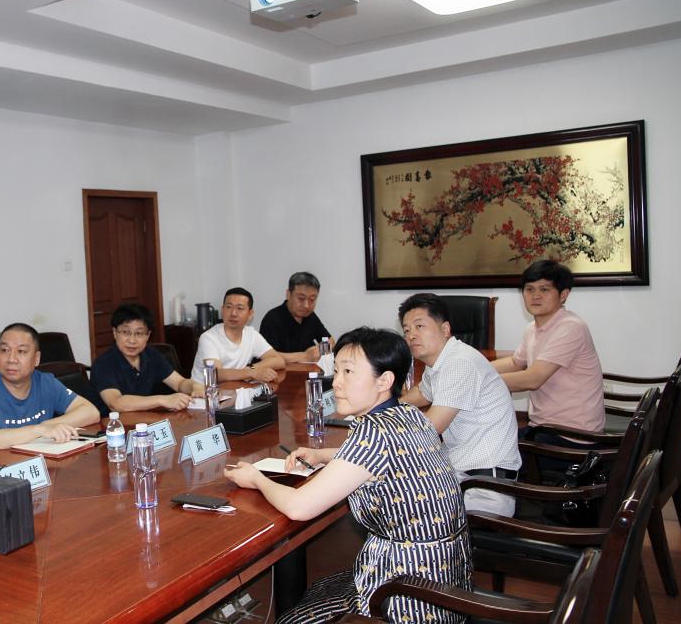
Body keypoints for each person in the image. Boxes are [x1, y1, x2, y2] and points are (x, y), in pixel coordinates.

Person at [225, 327, 471, 622]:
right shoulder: (408, 414)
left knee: (294, 618)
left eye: (349, 372)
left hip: (407, 598)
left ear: (384, 381)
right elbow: (384, 457)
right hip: (446, 580)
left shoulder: (373, 431)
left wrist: (256, 478)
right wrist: (322, 454)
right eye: (337, 370)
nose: (336, 382)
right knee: (319, 589)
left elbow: (299, 507)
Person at [399, 293, 521, 516]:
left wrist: (383, 431)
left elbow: (429, 428)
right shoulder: (442, 360)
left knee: (400, 504)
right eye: (406, 330)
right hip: (461, 473)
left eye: (419, 326)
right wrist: (389, 407)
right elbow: (423, 393)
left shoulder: (459, 363)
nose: (411, 336)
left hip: (483, 487)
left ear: (445, 329)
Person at [491, 260, 605, 452]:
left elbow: (533, 379)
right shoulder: (532, 329)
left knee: (489, 453)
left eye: (544, 289)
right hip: (543, 428)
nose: (535, 296)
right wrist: (473, 368)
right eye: (529, 289)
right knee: (486, 442)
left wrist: (479, 380)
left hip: (572, 438)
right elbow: (515, 362)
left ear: (563, 294)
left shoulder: (570, 327)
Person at [0, 322, 99, 451]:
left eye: (21, 351)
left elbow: (91, 412)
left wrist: (47, 426)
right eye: (4, 350)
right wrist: (38, 430)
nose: (11, 359)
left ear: (36, 358)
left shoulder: (45, 382)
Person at [90, 303, 205, 413]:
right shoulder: (103, 364)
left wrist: (194, 386)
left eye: (139, 333)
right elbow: (116, 403)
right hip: (110, 424)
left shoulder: (151, 355)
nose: (132, 340)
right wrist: (162, 400)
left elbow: (179, 383)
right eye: (126, 332)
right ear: (115, 333)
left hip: (140, 420)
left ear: (148, 335)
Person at [190, 287, 285, 382]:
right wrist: (251, 373)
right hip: (203, 390)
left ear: (250, 314)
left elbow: (278, 360)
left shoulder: (251, 334)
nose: (233, 313)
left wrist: (250, 368)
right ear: (222, 310)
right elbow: (216, 374)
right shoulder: (208, 337)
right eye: (228, 307)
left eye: (240, 308)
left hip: (234, 388)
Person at [258, 272, 334, 363]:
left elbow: (331, 341)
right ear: (288, 294)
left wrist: (320, 351)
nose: (306, 305)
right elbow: (266, 355)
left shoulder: (310, 316)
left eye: (312, 299)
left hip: (306, 370)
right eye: (301, 298)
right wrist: (305, 356)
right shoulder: (272, 318)